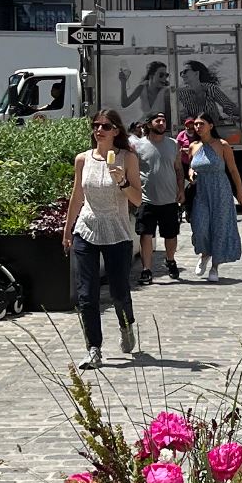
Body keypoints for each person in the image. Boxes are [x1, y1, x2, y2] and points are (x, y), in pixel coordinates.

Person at [62, 109, 142, 371]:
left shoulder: (127, 158)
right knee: (87, 294)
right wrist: (68, 229)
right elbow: (77, 196)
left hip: (117, 232)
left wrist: (121, 180)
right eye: (96, 125)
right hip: (86, 229)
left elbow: (137, 199)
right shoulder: (82, 159)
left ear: (116, 131)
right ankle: (94, 348)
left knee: (119, 292)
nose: (99, 130)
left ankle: (126, 325)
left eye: (105, 126)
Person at [188, 114, 242, 281]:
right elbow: (191, 167)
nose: (198, 127)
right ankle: (205, 253)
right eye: (196, 124)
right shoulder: (193, 146)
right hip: (201, 192)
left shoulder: (222, 145)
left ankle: (215, 266)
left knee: (219, 227)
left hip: (220, 190)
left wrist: (240, 192)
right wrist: (191, 174)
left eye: (201, 124)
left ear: (211, 126)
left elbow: (233, 170)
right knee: (200, 226)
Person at [132, 111, 184, 284]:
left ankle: (170, 260)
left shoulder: (173, 144)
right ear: (149, 124)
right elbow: (133, 171)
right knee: (146, 234)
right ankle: (146, 270)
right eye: (158, 120)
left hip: (169, 199)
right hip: (146, 199)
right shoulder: (138, 146)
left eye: (163, 120)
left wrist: (181, 190)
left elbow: (178, 169)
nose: (162, 123)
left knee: (171, 235)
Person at [180, 61, 240, 125]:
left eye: (185, 71)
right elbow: (182, 116)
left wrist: (241, 114)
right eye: (181, 73)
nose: (182, 75)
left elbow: (228, 106)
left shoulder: (210, 88)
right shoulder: (181, 93)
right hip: (195, 127)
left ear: (196, 73)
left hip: (215, 127)